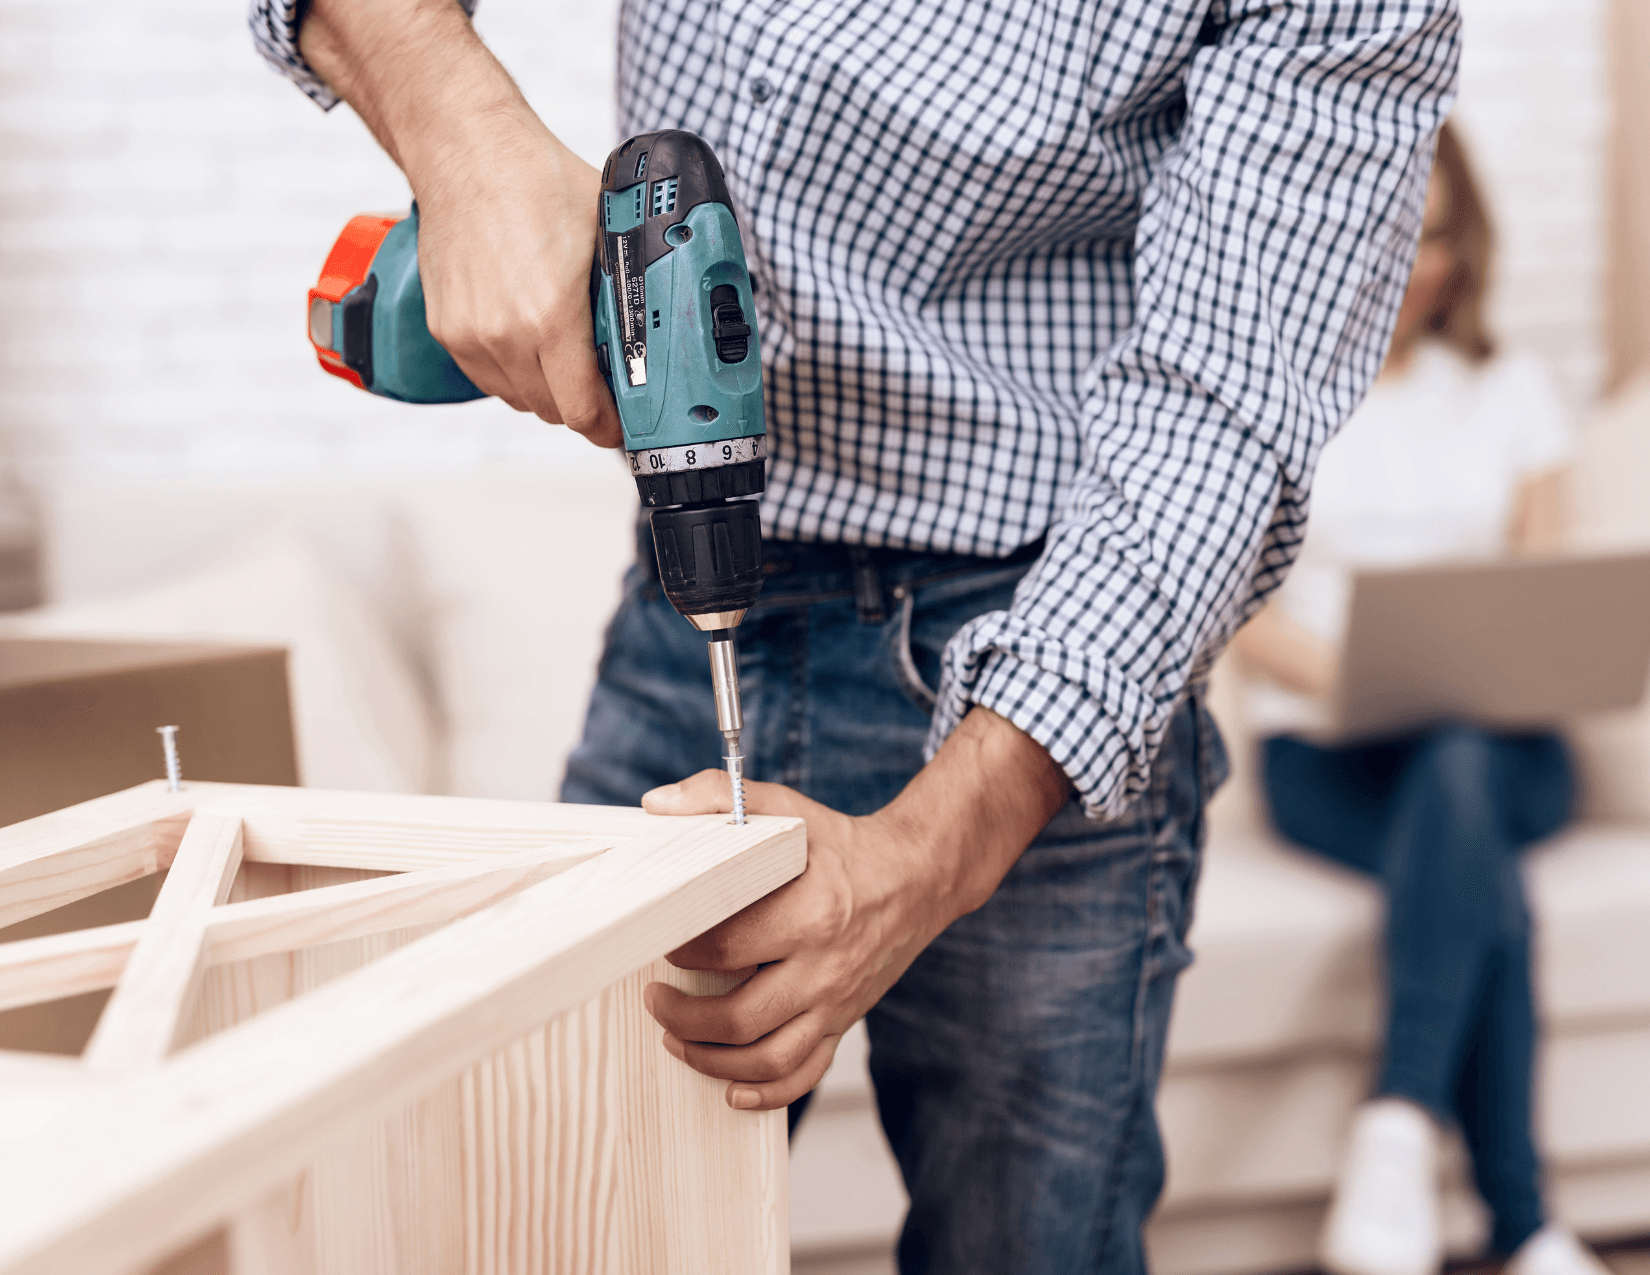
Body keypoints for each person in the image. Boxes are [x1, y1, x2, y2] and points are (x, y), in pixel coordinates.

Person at [252, 2, 1460, 1269]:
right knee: (565, 1221)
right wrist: (469, 143)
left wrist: (929, 856)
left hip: (1037, 650)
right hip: (695, 611)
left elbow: (1224, 411)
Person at [1230, 123, 1611, 1275]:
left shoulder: (1512, 393)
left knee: (1461, 760)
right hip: (1331, 757)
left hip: (1505, 749)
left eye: (1439, 237)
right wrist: (1366, 682)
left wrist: (1464, 678)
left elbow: (1543, 597)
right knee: (1478, 864)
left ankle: (1397, 1132)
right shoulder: (1281, 400)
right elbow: (1246, 617)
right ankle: (1526, 1226)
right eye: (1396, 236)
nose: (1417, 264)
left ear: (1467, 246)